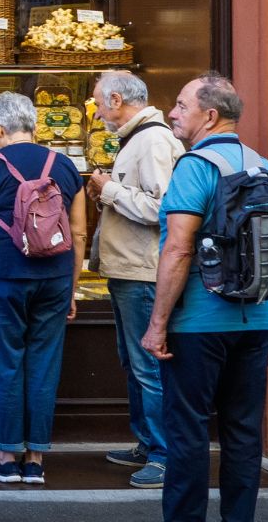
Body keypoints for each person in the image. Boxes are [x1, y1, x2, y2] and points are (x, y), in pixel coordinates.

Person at [142, 73, 268, 522]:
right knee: (243, 433)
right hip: (256, 319)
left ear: (209, 116)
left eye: (182, 105)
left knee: (187, 433)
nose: (172, 112)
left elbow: (178, 247)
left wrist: (158, 323)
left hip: (198, 324)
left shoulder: (195, 167)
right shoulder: (264, 165)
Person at [0, 92, 86, 487]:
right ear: (32, 125)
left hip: (3, 276)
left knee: (7, 361)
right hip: (53, 277)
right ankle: (35, 459)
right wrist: (72, 288)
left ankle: (6, 455)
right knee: (44, 364)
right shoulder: (65, 166)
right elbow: (80, 231)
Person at [87, 70, 181, 488]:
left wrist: (109, 190)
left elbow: (163, 209)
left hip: (143, 270)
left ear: (116, 99)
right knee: (134, 363)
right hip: (127, 267)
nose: (94, 109)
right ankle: (147, 442)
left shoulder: (154, 140)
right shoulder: (137, 138)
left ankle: (164, 454)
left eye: (96, 100)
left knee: (147, 366)